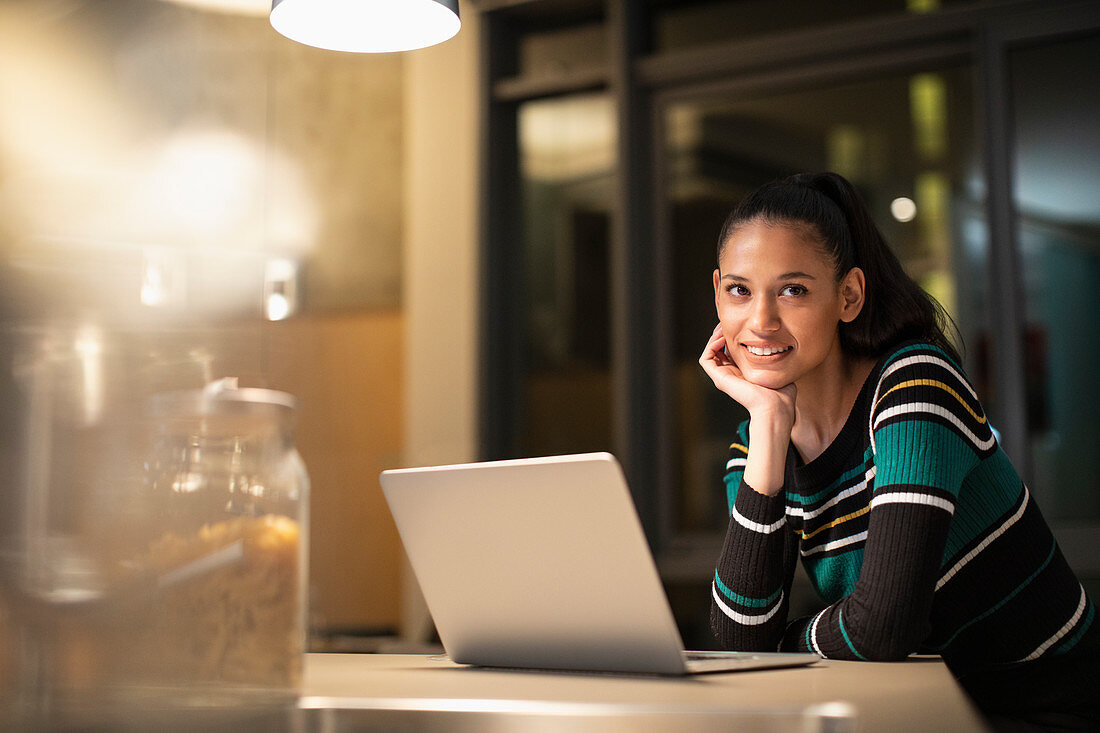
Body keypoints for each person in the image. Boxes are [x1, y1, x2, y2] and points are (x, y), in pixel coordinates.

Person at [699, 172, 1099, 731]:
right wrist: (768, 424)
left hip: (1048, 708)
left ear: (849, 296)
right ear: (718, 291)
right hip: (920, 705)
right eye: (740, 290)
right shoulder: (754, 445)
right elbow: (742, 641)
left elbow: (885, 627)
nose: (761, 320)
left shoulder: (914, 388)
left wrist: (787, 641)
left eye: (793, 290)